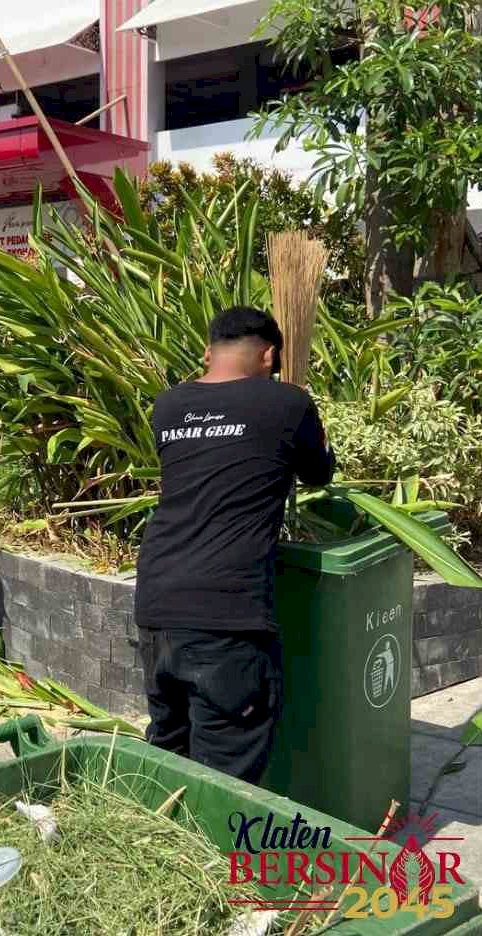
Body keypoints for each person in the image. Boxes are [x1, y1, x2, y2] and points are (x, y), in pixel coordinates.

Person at [135, 306, 335, 785]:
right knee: (225, 777)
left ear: (208, 352)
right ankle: (212, 860)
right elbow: (320, 472)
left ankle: (165, 852)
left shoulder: (167, 406)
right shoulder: (288, 404)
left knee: (170, 753)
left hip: (157, 604)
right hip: (227, 616)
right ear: (268, 355)